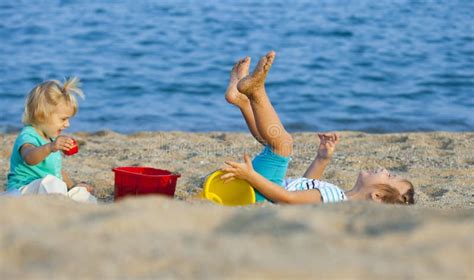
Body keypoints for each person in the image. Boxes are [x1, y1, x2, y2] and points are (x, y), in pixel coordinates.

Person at [221, 51, 414, 205]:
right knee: (271, 142)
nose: (384, 168)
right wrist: (322, 159)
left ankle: (255, 92)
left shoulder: (334, 197)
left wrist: (251, 176)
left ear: (378, 196)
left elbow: (289, 199)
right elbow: (304, 187)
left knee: (283, 144)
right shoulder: (336, 198)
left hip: (260, 194)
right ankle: (243, 102)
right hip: (262, 191)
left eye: (389, 175)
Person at [6, 77, 97, 203]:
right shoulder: (28, 135)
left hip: (47, 190)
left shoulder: (51, 138)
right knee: (54, 183)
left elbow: (57, 171)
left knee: (85, 196)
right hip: (22, 190)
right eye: (63, 119)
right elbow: (29, 157)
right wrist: (50, 147)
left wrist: (72, 186)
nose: (67, 125)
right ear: (42, 115)